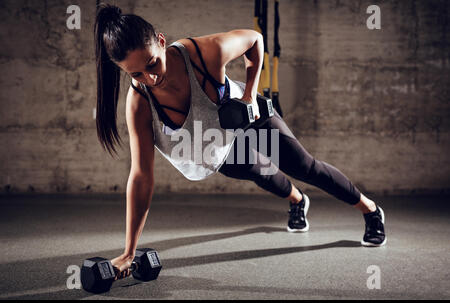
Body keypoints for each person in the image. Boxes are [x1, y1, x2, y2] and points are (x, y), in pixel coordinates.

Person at [94, 4, 386, 278]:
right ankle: (298, 201)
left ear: (160, 40)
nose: (150, 77)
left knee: (304, 167)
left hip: (247, 120)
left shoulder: (203, 53)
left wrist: (248, 95)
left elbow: (255, 40)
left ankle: (370, 210)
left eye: (152, 64)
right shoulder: (139, 103)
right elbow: (141, 176)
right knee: (262, 173)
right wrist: (128, 252)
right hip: (214, 145)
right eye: (136, 74)